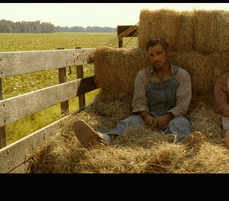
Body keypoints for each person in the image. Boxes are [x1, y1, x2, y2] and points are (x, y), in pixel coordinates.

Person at [73, 37, 203, 147]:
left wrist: (167, 117)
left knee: (181, 124)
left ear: (167, 52)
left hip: (173, 116)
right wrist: (146, 117)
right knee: (129, 122)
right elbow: (138, 101)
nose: (156, 58)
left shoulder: (181, 75)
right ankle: (102, 139)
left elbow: (182, 104)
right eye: (152, 55)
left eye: (159, 53)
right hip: (150, 115)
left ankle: (183, 145)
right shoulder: (143, 76)